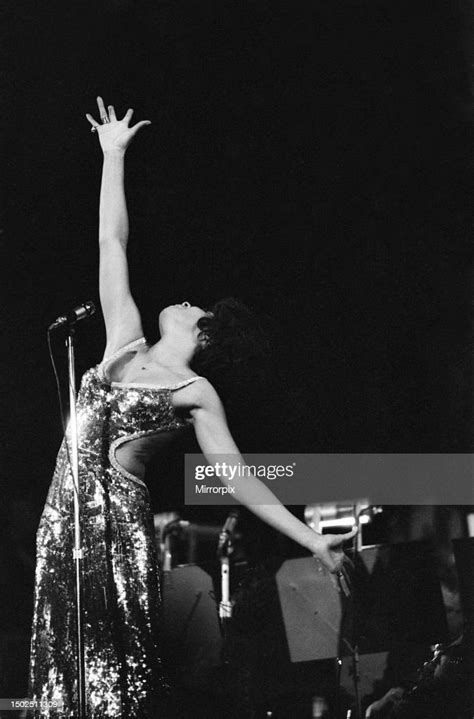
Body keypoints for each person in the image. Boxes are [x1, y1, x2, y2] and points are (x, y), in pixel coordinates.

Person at [29, 97, 357, 718]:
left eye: (192, 306)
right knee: (62, 673)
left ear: (204, 336)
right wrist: (113, 155)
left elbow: (239, 479)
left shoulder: (195, 392)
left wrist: (313, 540)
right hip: (61, 522)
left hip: (117, 531)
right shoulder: (122, 338)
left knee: (113, 678)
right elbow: (112, 240)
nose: (180, 301)